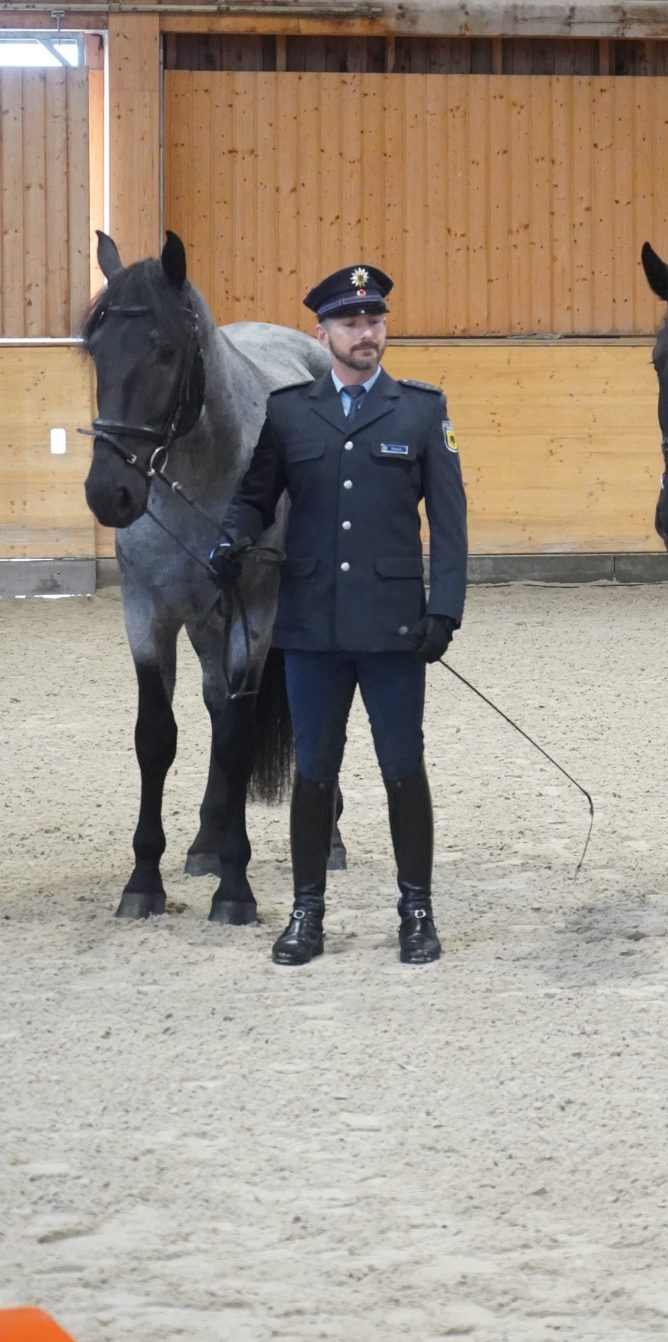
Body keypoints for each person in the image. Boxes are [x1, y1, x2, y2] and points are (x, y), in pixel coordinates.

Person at [209, 262, 468, 970]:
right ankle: (307, 913)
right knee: (314, 771)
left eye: (374, 320)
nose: (365, 333)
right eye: (351, 323)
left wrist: (444, 609)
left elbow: (450, 523)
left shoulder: (422, 411)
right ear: (322, 333)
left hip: (393, 630)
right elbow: (256, 497)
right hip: (311, 630)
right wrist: (230, 540)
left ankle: (416, 911)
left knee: (403, 768)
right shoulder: (290, 412)